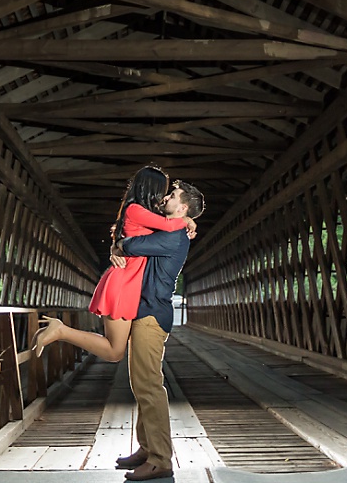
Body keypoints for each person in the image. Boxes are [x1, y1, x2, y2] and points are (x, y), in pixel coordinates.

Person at [31, 166, 195, 363]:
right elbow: (170, 225)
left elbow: (150, 233)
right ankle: (61, 331)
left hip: (129, 283)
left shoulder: (146, 215)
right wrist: (187, 220)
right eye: (163, 191)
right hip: (124, 282)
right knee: (114, 351)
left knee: (115, 350)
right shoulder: (136, 210)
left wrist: (115, 248)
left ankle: (61, 331)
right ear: (151, 189)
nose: (164, 197)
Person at [112, 180, 205, 482]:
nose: (166, 197)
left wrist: (120, 245)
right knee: (141, 384)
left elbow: (134, 243)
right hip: (144, 311)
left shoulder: (174, 234)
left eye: (173, 196)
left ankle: (161, 459)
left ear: (182, 207)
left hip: (152, 314)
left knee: (150, 386)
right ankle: (146, 447)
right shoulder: (171, 228)